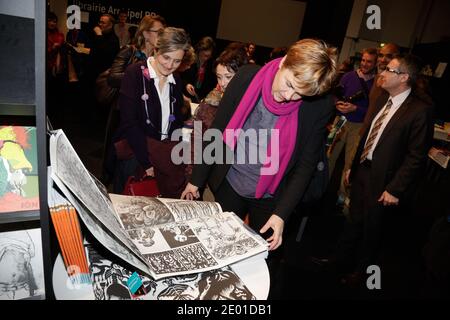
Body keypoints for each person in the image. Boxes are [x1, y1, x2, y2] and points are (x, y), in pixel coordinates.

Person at [181, 39, 338, 253]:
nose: (289, 97)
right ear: (283, 63)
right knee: (217, 246)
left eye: (300, 94)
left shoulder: (319, 106)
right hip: (229, 181)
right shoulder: (246, 77)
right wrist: (196, 180)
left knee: (259, 254)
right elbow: (218, 129)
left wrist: (282, 214)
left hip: (271, 195)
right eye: (290, 85)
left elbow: (305, 166)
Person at [334, 54, 434, 286]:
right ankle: (338, 261)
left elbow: (416, 156)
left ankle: (363, 274)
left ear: (404, 78)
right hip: (363, 171)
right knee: (353, 221)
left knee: (373, 230)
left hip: (385, 182)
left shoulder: (419, 110)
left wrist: (395, 189)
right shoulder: (381, 98)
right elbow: (368, 135)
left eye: (389, 70)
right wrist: (353, 167)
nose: (382, 73)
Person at [113, 27, 192, 197]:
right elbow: (129, 122)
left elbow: (175, 122)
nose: (170, 65)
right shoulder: (134, 73)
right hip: (136, 155)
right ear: (156, 50)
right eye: (166, 57)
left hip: (162, 158)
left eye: (177, 61)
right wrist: (147, 163)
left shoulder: (176, 80)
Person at [101, 15, 166, 185]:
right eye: (158, 32)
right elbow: (113, 78)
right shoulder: (129, 52)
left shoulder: (161, 59)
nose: (161, 36)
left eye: (163, 32)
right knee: (117, 157)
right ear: (145, 34)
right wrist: (141, 75)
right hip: (123, 113)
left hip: (145, 119)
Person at [185, 44, 249, 181]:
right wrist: (192, 171)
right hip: (203, 168)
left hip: (234, 176)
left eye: (228, 76)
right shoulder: (210, 102)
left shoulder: (250, 105)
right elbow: (196, 136)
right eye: (219, 77)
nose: (223, 83)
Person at [328, 48, 378, 211]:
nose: (364, 64)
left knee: (350, 163)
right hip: (340, 122)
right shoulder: (349, 76)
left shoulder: (377, 84)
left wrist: (356, 108)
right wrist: (338, 104)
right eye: (363, 60)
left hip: (359, 126)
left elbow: (374, 110)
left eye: (369, 61)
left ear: (375, 63)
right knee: (329, 156)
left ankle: (343, 197)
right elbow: (335, 94)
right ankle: (320, 188)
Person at [361, 43, 400, 133]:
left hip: (380, 133)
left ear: (397, 58)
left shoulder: (397, 82)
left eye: (389, 56)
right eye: (381, 55)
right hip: (366, 130)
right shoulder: (378, 78)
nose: (383, 60)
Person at [181, 36, 216, 102]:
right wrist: (186, 85)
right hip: (185, 94)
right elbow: (179, 76)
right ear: (199, 51)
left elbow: (210, 84)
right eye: (205, 55)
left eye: (209, 56)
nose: (206, 58)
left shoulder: (211, 63)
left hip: (200, 97)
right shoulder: (190, 59)